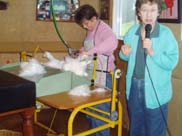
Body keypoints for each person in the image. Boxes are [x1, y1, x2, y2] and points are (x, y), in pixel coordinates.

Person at [119, 0, 179, 136]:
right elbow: (125, 56)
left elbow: (171, 62)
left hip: (156, 90)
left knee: (155, 130)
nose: (148, 14)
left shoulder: (166, 34)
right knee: (136, 127)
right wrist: (124, 52)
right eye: (144, 10)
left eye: (152, 10)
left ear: (158, 12)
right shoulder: (132, 32)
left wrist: (152, 52)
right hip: (134, 86)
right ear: (139, 12)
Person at [74, 4, 118, 136]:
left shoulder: (104, 29)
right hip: (93, 74)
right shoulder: (91, 30)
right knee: (92, 110)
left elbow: (112, 42)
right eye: (83, 25)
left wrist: (88, 53)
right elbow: (88, 47)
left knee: (101, 112)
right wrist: (80, 52)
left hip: (105, 76)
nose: (85, 27)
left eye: (86, 23)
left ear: (94, 18)